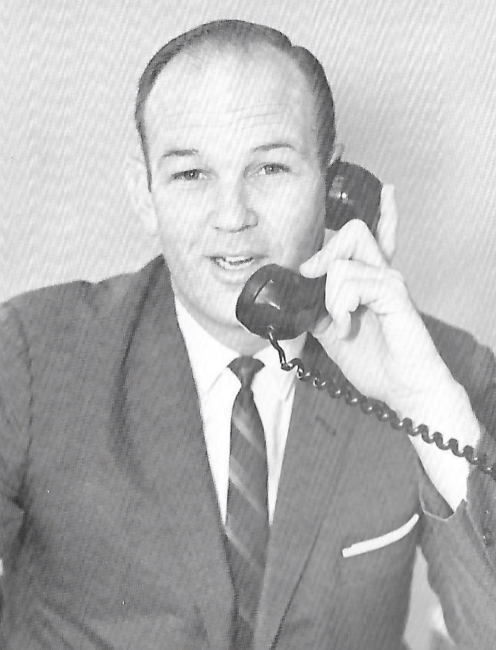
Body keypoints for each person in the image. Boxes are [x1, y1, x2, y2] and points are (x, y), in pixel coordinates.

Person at [0, 18, 495, 650]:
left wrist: (427, 404)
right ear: (144, 194)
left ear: (335, 186)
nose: (232, 216)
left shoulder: (437, 368)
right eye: (191, 175)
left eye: (270, 169)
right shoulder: (32, 355)